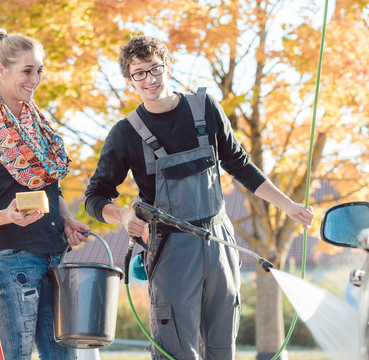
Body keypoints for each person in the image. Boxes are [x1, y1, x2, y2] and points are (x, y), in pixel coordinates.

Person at [84, 35, 314, 360]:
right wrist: (122, 215)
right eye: (139, 73)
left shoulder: (204, 109)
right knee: (176, 349)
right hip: (170, 249)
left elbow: (240, 164)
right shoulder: (126, 133)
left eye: (155, 69)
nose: (150, 79)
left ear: (167, 66)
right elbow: (95, 197)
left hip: (219, 243)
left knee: (222, 346)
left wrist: (287, 206)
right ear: (129, 79)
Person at [0, 28, 89, 360]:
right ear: (1, 71)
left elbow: (49, 188)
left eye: (39, 70)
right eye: (27, 70)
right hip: (10, 260)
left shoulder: (40, 129)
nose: (36, 78)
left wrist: (69, 220)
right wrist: (5, 215)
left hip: (53, 256)